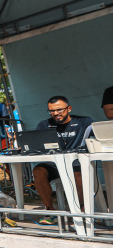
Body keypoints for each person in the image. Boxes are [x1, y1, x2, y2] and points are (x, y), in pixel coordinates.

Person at [32, 96, 94, 224]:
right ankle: (50, 211)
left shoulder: (85, 122)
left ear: (69, 108)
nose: (55, 113)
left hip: (77, 162)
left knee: (77, 173)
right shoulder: (44, 124)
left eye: (59, 109)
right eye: (52, 111)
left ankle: (82, 208)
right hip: (54, 163)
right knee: (38, 170)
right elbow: (37, 146)